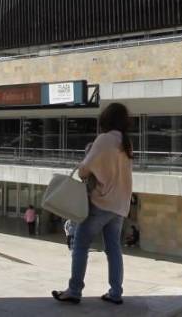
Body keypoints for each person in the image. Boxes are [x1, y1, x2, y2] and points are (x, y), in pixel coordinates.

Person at [52, 103, 134, 305]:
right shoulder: (126, 142)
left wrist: (89, 152)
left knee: (80, 245)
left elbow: (83, 171)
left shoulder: (104, 139)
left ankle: (74, 290)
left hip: (101, 203)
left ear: (105, 119)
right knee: (113, 248)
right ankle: (116, 293)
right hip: (120, 206)